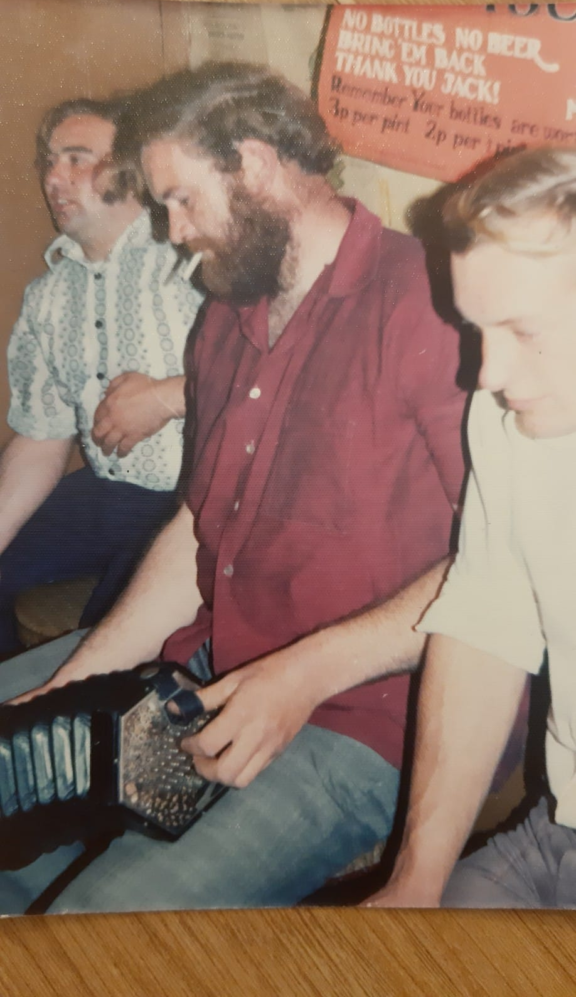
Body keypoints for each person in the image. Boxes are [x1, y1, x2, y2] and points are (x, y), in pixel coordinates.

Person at [0, 62, 466, 914]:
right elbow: (196, 529)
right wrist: (85, 668)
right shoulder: (225, 318)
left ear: (253, 164)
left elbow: (500, 565)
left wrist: (301, 674)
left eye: (180, 200)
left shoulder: (430, 303)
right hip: (209, 664)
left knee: (93, 932)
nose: (173, 233)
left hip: (370, 716)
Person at [365, 146, 576, 910]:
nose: (483, 374)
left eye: (524, 330)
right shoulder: (505, 421)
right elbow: (489, 624)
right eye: (476, 330)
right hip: (559, 831)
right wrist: (415, 880)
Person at [0, 96, 203, 652]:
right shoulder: (47, 297)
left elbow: (266, 378)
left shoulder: (191, 260)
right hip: (107, 494)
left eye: (76, 158)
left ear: (133, 168)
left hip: (195, 500)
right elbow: (42, 437)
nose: (54, 178)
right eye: (48, 160)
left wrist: (166, 398)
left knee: (106, 638)